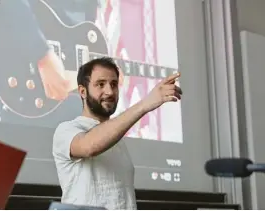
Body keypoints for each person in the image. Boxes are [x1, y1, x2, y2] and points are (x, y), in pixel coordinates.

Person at [52, 57, 182, 209]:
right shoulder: (66, 130)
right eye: (100, 84)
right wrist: (146, 103)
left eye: (114, 84)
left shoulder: (117, 141)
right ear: (82, 91)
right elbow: (89, 146)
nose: (109, 91)